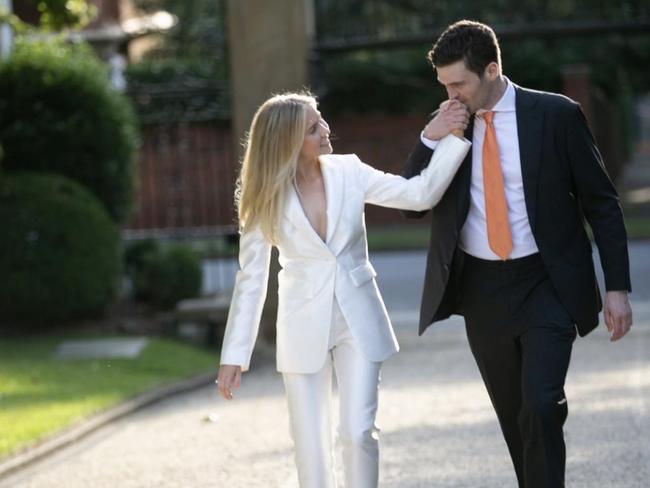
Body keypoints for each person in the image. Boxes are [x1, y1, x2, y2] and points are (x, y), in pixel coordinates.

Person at [402, 20, 633, 488]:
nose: (451, 95)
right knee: (515, 418)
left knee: (542, 405)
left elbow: (602, 204)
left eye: (458, 84)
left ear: (491, 69)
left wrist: (617, 287)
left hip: (545, 281)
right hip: (483, 291)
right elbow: (413, 202)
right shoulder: (449, 122)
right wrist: (430, 137)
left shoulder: (556, 115)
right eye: (444, 85)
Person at [216, 92, 471, 488]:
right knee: (310, 448)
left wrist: (448, 136)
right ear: (287, 142)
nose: (326, 130)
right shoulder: (265, 197)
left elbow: (419, 193)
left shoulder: (349, 171)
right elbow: (250, 279)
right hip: (302, 326)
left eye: (322, 121)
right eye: (314, 128)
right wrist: (235, 353)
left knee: (357, 433)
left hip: (359, 320)